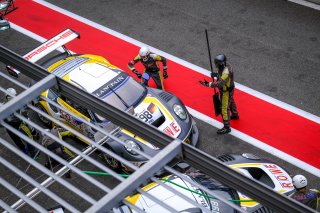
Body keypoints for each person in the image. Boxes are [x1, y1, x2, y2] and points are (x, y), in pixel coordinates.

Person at [199, 54, 239, 134]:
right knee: (231, 101)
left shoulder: (226, 72)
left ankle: (227, 127)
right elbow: (220, 73)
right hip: (230, 88)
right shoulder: (226, 65)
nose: (216, 65)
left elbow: (220, 83)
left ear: (220, 64)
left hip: (226, 91)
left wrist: (208, 84)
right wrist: (216, 74)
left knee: (224, 108)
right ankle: (235, 114)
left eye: (217, 64)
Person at [2, 88, 40, 158]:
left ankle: (24, 151)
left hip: (10, 127)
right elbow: (27, 121)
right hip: (19, 126)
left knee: (18, 141)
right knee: (28, 139)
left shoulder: (4, 107)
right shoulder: (20, 106)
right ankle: (33, 154)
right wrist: (34, 132)